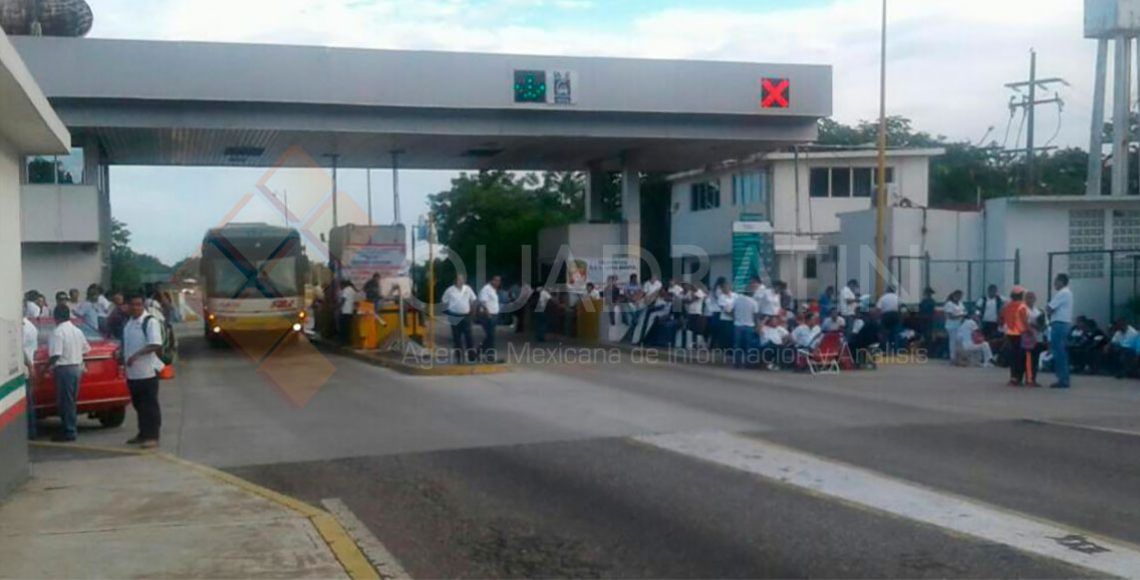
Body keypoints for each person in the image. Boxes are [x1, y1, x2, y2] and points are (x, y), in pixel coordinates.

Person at [123, 293, 165, 448]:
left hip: (147, 372)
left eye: (139, 305)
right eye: (133, 304)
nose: (136, 308)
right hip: (133, 374)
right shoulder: (129, 323)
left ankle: (153, 436)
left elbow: (155, 344)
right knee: (138, 405)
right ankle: (143, 434)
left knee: (149, 406)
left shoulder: (149, 322)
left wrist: (136, 355)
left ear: (143, 306)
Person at [47, 304, 89, 442]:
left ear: (56, 317)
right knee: (70, 401)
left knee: (66, 402)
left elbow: (55, 355)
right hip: (77, 367)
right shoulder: (77, 330)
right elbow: (85, 349)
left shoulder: (58, 332)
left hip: (64, 369)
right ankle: (69, 428)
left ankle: (69, 431)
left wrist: (45, 368)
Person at [1001, 287, 1032, 387]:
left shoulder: (1007, 306)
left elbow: (1001, 318)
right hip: (1020, 333)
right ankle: (1019, 378)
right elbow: (1024, 321)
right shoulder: (1022, 306)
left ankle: (1013, 378)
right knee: (1021, 356)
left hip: (1010, 333)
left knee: (1013, 356)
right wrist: (1029, 330)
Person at [442, 275, 477, 362]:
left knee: (469, 337)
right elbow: (444, 301)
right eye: (458, 279)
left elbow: (473, 300)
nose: (460, 281)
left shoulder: (468, 289)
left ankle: (471, 357)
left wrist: (473, 311)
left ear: (464, 280)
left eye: (461, 280)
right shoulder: (450, 290)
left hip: (466, 316)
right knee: (456, 338)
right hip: (454, 316)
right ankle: (459, 358)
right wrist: (448, 312)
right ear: (455, 280)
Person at [1047, 273, 1073, 389]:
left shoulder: (1062, 293)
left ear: (1062, 282)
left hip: (1059, 323)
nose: (1054, 284)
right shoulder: (1068, 293)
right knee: (1061, 351)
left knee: (1059, 352)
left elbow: (1050, 308)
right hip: (1064, 323)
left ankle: (1063, 379)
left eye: (1056, 281)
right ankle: (1063, 378)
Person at [731, 281, 760, 368]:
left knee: (737, 345)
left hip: (738, 325)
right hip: (749, 326)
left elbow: (732, 311)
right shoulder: (754, 302)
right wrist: (757, 326)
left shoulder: (737, 299)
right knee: (749, 346)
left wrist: (735, 319)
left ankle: (737, 363)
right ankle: (748, 363)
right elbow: (755, 316)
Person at [22, 312, 38, 440]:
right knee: (29, 402)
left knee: (26, 403)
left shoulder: (22, 327)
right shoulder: (31, 326)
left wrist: (30, 366)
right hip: (29, 365)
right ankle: (32, 430)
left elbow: (21, 350)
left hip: (24, 367)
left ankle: (30, 431)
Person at [478, 275, 502, 360]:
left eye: (499, 281)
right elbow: (483, 302)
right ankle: (490, 355)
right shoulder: (486, 289)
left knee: (490, 336)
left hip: (494, 315)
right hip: (487, 315)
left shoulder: (494, 290)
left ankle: (478, 351)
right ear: (491, 280)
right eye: (495, 280)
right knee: (491, 336)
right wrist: (488, 314)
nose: (497, 282)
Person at [943, 290, 966, 362]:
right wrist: (960, 316)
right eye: (958, 296)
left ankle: (959, 356)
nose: (960, 297)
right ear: (954, 296)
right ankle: (952, 357)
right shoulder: (949, 304)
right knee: (953, 341)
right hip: (951, 325)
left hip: (960, 325)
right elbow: (949, 316)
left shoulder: (960, 303)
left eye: (961, 296)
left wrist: (963, 315)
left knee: (960, 340)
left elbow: (964, 311)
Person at [876, 286, 901, 350]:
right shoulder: (897, 297)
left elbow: (878, 309)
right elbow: (899, 308)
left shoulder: (883, 297)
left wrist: (878, 319)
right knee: (895, 333)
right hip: (895, 315)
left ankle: (886, 349)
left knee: (884, 333)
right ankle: (896, 350)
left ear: (887, 290)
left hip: (886, 316)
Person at [338, 281, 358, 345]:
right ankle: (347, 341)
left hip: (344, 311)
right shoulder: (353, 291)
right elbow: (355, 302)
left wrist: (339, 307)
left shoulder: (346, 290)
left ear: (344, 284)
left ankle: (343, 341)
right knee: (348, 327)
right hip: (350, 311)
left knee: (343, 328)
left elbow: (343, 300)